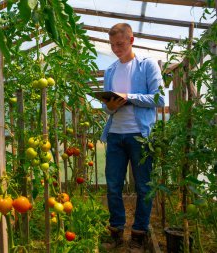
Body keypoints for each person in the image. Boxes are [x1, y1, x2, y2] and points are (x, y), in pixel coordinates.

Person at [100, 23, 165, 253]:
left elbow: (159, 99)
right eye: (113, 45)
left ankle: (139, 233)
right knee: (113, 186)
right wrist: (110, 105)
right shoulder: (110, 71)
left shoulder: (147, 66)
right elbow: (106, 108)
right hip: (116, 134)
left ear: (131, 40)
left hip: (140, 135)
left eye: (120, 44)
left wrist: (128, 97)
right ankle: (116, 230)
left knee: (144, 186)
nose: (116, 48)